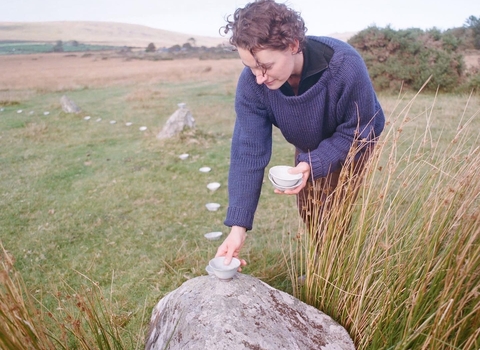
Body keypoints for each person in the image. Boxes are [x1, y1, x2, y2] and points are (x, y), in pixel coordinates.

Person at [215, 0, 385, 268]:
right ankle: (327, 269)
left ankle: (337, 278)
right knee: (310, 210)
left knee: (332, 211)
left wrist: (315, 163)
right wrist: (238, 228)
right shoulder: (253, 84)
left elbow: (363, 128)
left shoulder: (344, 65)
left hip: (352, 142)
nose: (259, 77)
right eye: (251, 67)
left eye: (266, 66)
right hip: (307, 145)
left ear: (293, 45)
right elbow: (248, 151)